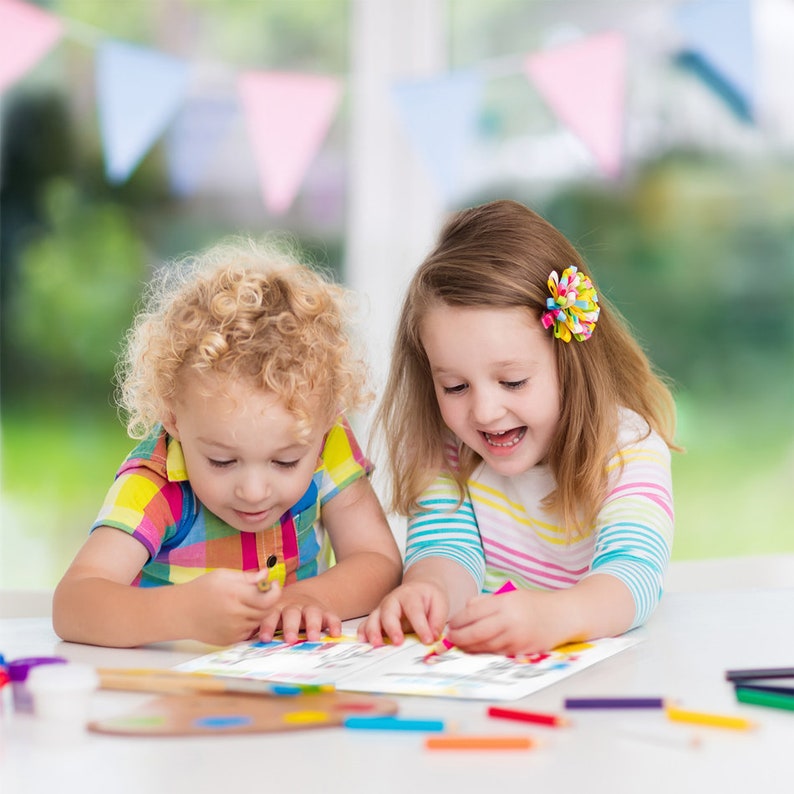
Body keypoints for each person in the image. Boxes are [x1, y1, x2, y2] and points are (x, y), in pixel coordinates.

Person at [358, 199, 677, 656]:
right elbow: (447, 552)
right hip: (493, 687)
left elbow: (634, 572)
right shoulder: (444, 449)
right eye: (454, 386)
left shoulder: (627, 449)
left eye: (513, 381)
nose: (485, 412)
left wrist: (555, 616)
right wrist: (427, 592)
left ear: (571, 362)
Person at [53, 237, 402, 649]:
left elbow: (379, 561)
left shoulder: (326, 441)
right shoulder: (156, 483)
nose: (254, 491)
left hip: (292, 687)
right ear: (172, 417)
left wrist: (307, 598)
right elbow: (73, 604)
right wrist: (182, 613)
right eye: (221, 460)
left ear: (327, 423)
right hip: (174, 692)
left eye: (286, 462)